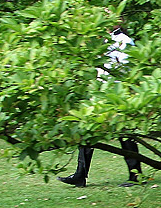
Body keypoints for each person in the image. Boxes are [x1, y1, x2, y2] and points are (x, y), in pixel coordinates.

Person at [59, 28, 143, 187]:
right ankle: (80, 174)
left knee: (125, 136)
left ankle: (136, 175)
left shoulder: (123, 40)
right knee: (87, 132)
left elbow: (125, 68)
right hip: (102, 94)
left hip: (117, 94)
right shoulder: (102, 41)